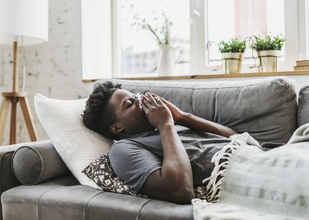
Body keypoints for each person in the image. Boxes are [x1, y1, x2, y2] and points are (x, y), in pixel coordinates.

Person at [82, 81, 237, 204]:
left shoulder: (169, 127)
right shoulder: (123, 149)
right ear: (117, 127)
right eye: (130, 103)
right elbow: (180, 190)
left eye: (136, 97)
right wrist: (165, 125)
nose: (140, 101)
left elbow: (235, 138)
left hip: (253, 154)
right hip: (239, 173)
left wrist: (182, 117)